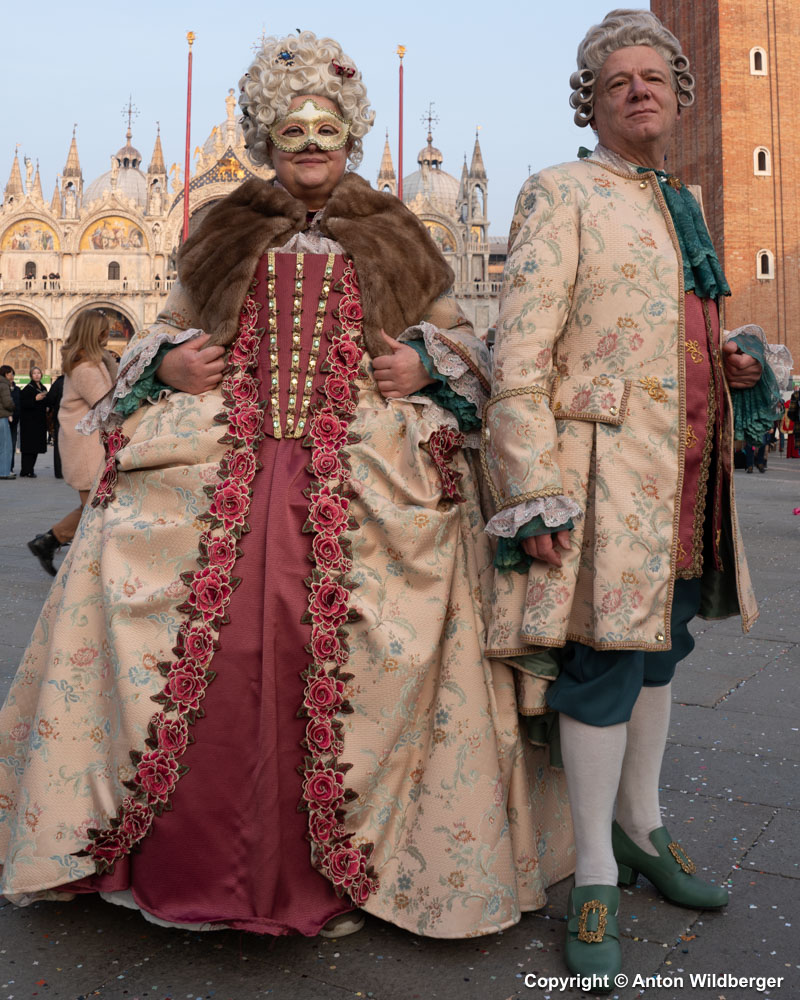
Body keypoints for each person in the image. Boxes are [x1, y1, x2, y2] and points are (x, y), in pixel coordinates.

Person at [0, 31, 572, 939]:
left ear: (351, 137)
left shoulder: (395, 230)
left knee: (349, 663)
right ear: (266, 137)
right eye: (292, 129)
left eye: (326, 129)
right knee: (210, 655)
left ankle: (344, 870)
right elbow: (163, 330)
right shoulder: (224, 228)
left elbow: (466, 340)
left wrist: (425, 365)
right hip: (222, 467)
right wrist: (171, 366)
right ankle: (185, 860)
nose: (309, 144)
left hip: (363, 477)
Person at [482, 9, 764, 984]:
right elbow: (518, 352)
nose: (638, 91)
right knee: (603, 661)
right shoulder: (560, 191)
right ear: (591, 105)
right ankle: (596, 872)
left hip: (686, 477)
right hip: (602, 477)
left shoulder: (684, 202)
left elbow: (673, 326)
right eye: (617, 82)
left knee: (659, 652)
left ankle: (643, 827)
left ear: (679, 98)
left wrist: (729, 365)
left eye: (653, 78)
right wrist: (532, 488)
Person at [27, 313, 117, 576]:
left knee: (96, 506)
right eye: (104, 331)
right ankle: (82, 568)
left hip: (89, 444)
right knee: (96, 509)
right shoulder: (86, 368)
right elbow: (106, 405)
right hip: (86, 447)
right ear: (96, 334)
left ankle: (49, 541)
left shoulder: (90, 363)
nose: (108, 336)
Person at [18, 366, 49, 477]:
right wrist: (34, 399)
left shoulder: (43, 387)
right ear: (31, 376)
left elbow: (46, 401)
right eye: (34, 373)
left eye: (38, 373)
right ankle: (26, 470)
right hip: (29, 423)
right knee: (28, 448)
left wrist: (47, 406)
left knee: (35, 447)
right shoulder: (28, 388)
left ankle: (30, 469)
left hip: (39, 422)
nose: (37, 375)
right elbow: (22, 403)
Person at [0, 365, 15, 479]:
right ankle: (4, 472)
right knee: (6, 447)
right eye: (11, 374)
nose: (12, 376)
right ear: (6, 374)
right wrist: (13, 407)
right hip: (2, 417)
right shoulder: (4, 385)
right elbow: (7, 402)